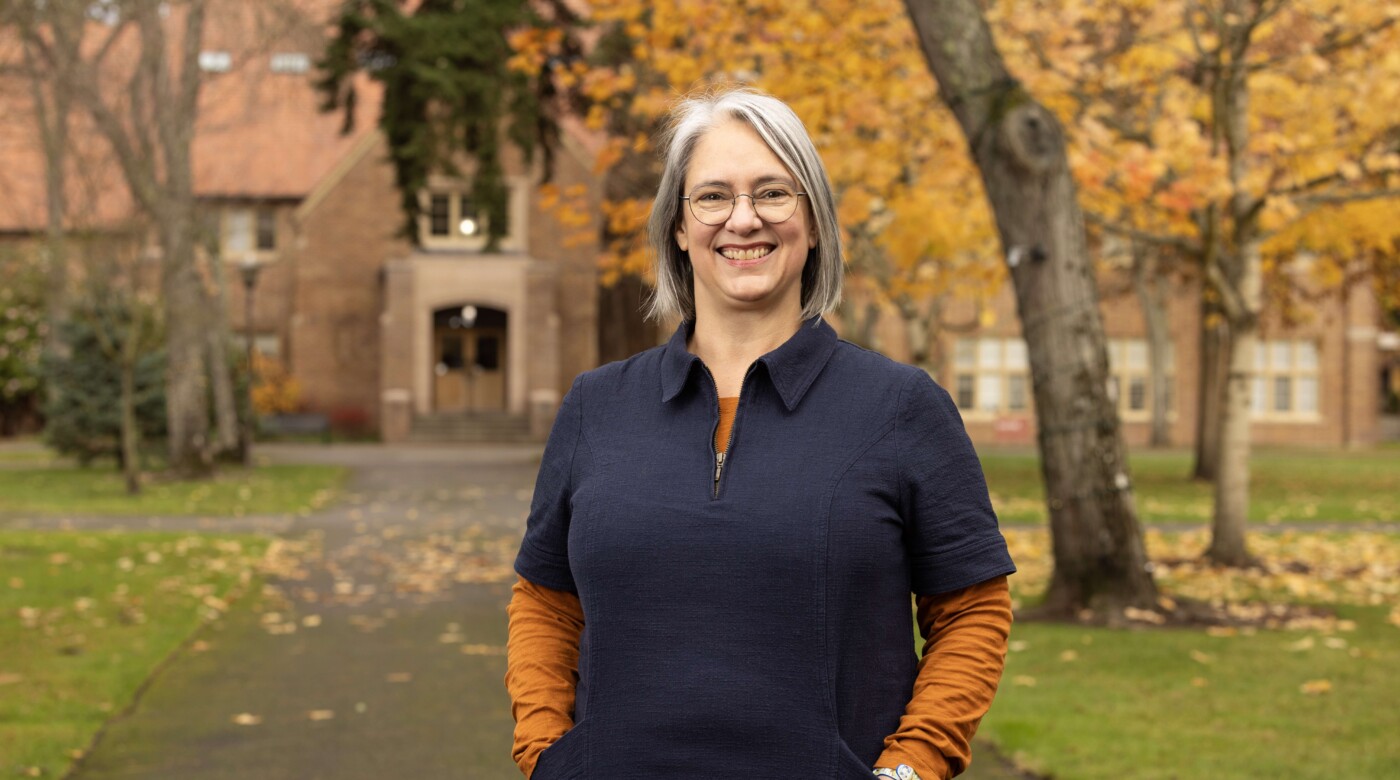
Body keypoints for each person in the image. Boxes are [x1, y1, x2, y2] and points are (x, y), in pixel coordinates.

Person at [506, 87, 1015, 780]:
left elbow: (973, 608)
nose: (743, 220)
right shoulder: (598, 406)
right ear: (679, 229)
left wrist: (913, 766)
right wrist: (545, 754)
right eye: (712, 197)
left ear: (812, 220)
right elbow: (545, 598)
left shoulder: (901, 407)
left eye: (773, 192)